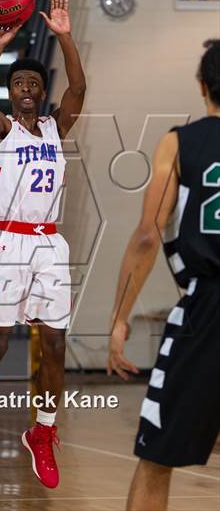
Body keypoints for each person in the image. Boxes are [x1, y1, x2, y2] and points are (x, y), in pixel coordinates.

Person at [0, 0, 86, 490]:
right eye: (19, 83)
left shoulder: (55, 127)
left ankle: (43, 433)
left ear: (41, 90)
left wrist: (66, 38)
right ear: (12, 93)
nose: (26, 88)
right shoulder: (0, 129)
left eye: (33, 82)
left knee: (54, 343)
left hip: (49, 244)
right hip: (5, 244)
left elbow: (79, 88)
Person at [107, 39, 220, 511]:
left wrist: (119, 318)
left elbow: (148, 236)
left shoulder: (179, 143)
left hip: (206, 310)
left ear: (202, 87)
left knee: (157, 458)